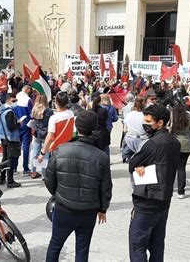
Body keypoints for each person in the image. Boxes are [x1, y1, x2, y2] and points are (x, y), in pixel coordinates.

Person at [45, 110, 112, 261]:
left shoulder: (60, 150)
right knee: (82, 249)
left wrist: (58, 193)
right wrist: (103, 208)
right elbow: (106, 187)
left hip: (63, 207)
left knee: (55, 245)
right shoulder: (101, 156)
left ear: (76, 126)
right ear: (94, 128)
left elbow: (49, 179)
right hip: (88, 210)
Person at [128, 104, 180, 261]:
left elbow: (132, 164)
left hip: (147, 200)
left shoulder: (152, 144)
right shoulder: (175, 142)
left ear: (160, 123)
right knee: (157, 244)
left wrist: (139, 165)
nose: (146, 125)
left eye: (149, 122)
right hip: (164, 200)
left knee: (138, 244)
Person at [37, 92, 74, 163]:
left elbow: (49, 137)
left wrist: (42, 153)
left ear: (56, 102)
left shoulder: (54, 118)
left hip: (57, 149)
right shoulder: (71, 113)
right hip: (68, 146)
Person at [170, 99, 190, 199]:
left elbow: (169, 128)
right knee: (181, 168)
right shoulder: (189, 116)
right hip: (185, 143)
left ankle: (170, 188)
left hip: (174, 143)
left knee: (171, 168)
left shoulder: (173, 116)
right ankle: (181, 191)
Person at [0, 94, 22, 188]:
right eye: (13, 100)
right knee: (10, 160)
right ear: (8, 101)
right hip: (10, 138)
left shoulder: (1, 110)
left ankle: (2, 178)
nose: (15, 102)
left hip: (3, 137)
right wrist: (19, 124)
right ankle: (10, 181)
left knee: (5, 158)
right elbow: (11, 127)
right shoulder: (9, 112)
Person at [29, 94, 53, 179]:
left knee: (34, 154)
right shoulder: (49, 111)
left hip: (37, 134)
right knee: (45, 156)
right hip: (45, 135)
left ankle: (33, 171)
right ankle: (44, 174)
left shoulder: (34, 110)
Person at [13, 85, 34, 176]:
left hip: (16, 125)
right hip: (26, 125)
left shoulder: (15, 97)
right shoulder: (28, 100)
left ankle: (14, 167)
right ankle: (25, 167)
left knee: (16, 146)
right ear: (27, 90)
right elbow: (31, 114)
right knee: (26, 147)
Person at [122, 96, 147, 162]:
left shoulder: (129, 114)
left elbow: (124, 129)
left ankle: (126, 156)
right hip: (141, 139)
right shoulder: (145, 115)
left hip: (129, 138)